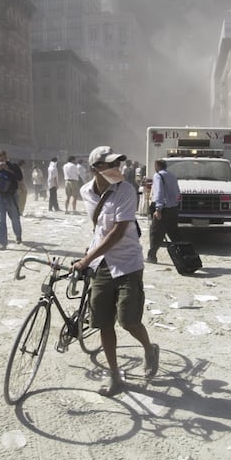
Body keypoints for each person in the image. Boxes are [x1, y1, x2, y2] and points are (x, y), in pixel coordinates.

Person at [74, 145, 159, 398]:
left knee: (128, 320)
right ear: (96, 170)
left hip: (128, 263)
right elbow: (100, 229)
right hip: (100, 264)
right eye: (110, 165)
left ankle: (149, 348)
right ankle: (114, 374)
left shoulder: (127, 190)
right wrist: (89, 257)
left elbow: (118, 231)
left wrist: (87, 257)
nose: (117, 169)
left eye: (117, 164)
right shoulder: (85, 192)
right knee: (102, 322)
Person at [147, 159, 180, 264]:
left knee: (156, 233)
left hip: (163, 209)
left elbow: (159, 193)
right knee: (174, 234)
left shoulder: (158, 176)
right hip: (173, 208)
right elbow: (177, 192)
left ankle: (152, 256)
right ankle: (182, 255)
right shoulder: (172, 176)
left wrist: (158, 209)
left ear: (157, 166)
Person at [0, 150, 23, 250]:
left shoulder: (13, 166)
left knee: (15, 219)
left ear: (6, 157)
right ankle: (3, 243)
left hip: (11, 197)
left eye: (2, 158)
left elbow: (19, 177)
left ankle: (18, 236)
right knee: (0, 221)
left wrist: (8, 170)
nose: (0, 160)